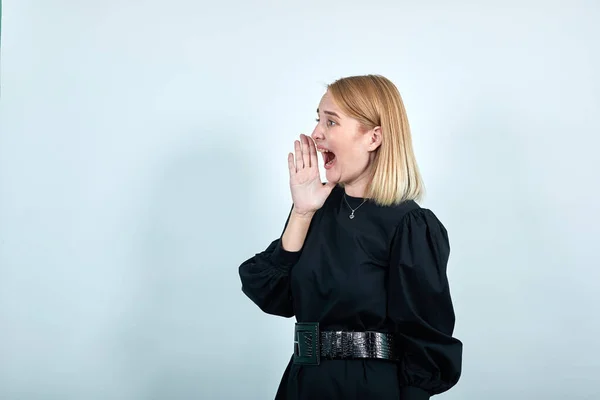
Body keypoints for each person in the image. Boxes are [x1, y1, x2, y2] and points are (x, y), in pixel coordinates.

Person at [238, 74, 462, 399]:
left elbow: (425, 340)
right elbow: (270, 295)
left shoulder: (410, 224)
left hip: (369, 387)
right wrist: (301, 213)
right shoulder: (315, 210)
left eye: (331, 122)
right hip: (304, 384)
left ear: (373, 138)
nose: (316, 134)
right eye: (318, 119)